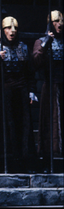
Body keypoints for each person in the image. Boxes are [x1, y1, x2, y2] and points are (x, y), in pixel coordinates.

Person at [0, 16, 37, 172]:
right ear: (2, 31)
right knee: (6, 125)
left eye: (14, 28)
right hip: (5, 91)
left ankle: (25, 158)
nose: (12, 31)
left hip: (21, 91)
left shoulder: (23, 47)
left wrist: (30, 91)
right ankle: (6, 158)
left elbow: (30, 72)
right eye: (8, 28)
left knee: (23, 125)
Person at [32, 10, 63, 172]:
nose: (60, 23)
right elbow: (36, 61)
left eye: (61, 20)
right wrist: (47, 43)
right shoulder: (41, 41)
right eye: (56, 21)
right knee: (49, 123)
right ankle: (48, 159)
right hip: (50, 85)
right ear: (50, 22)